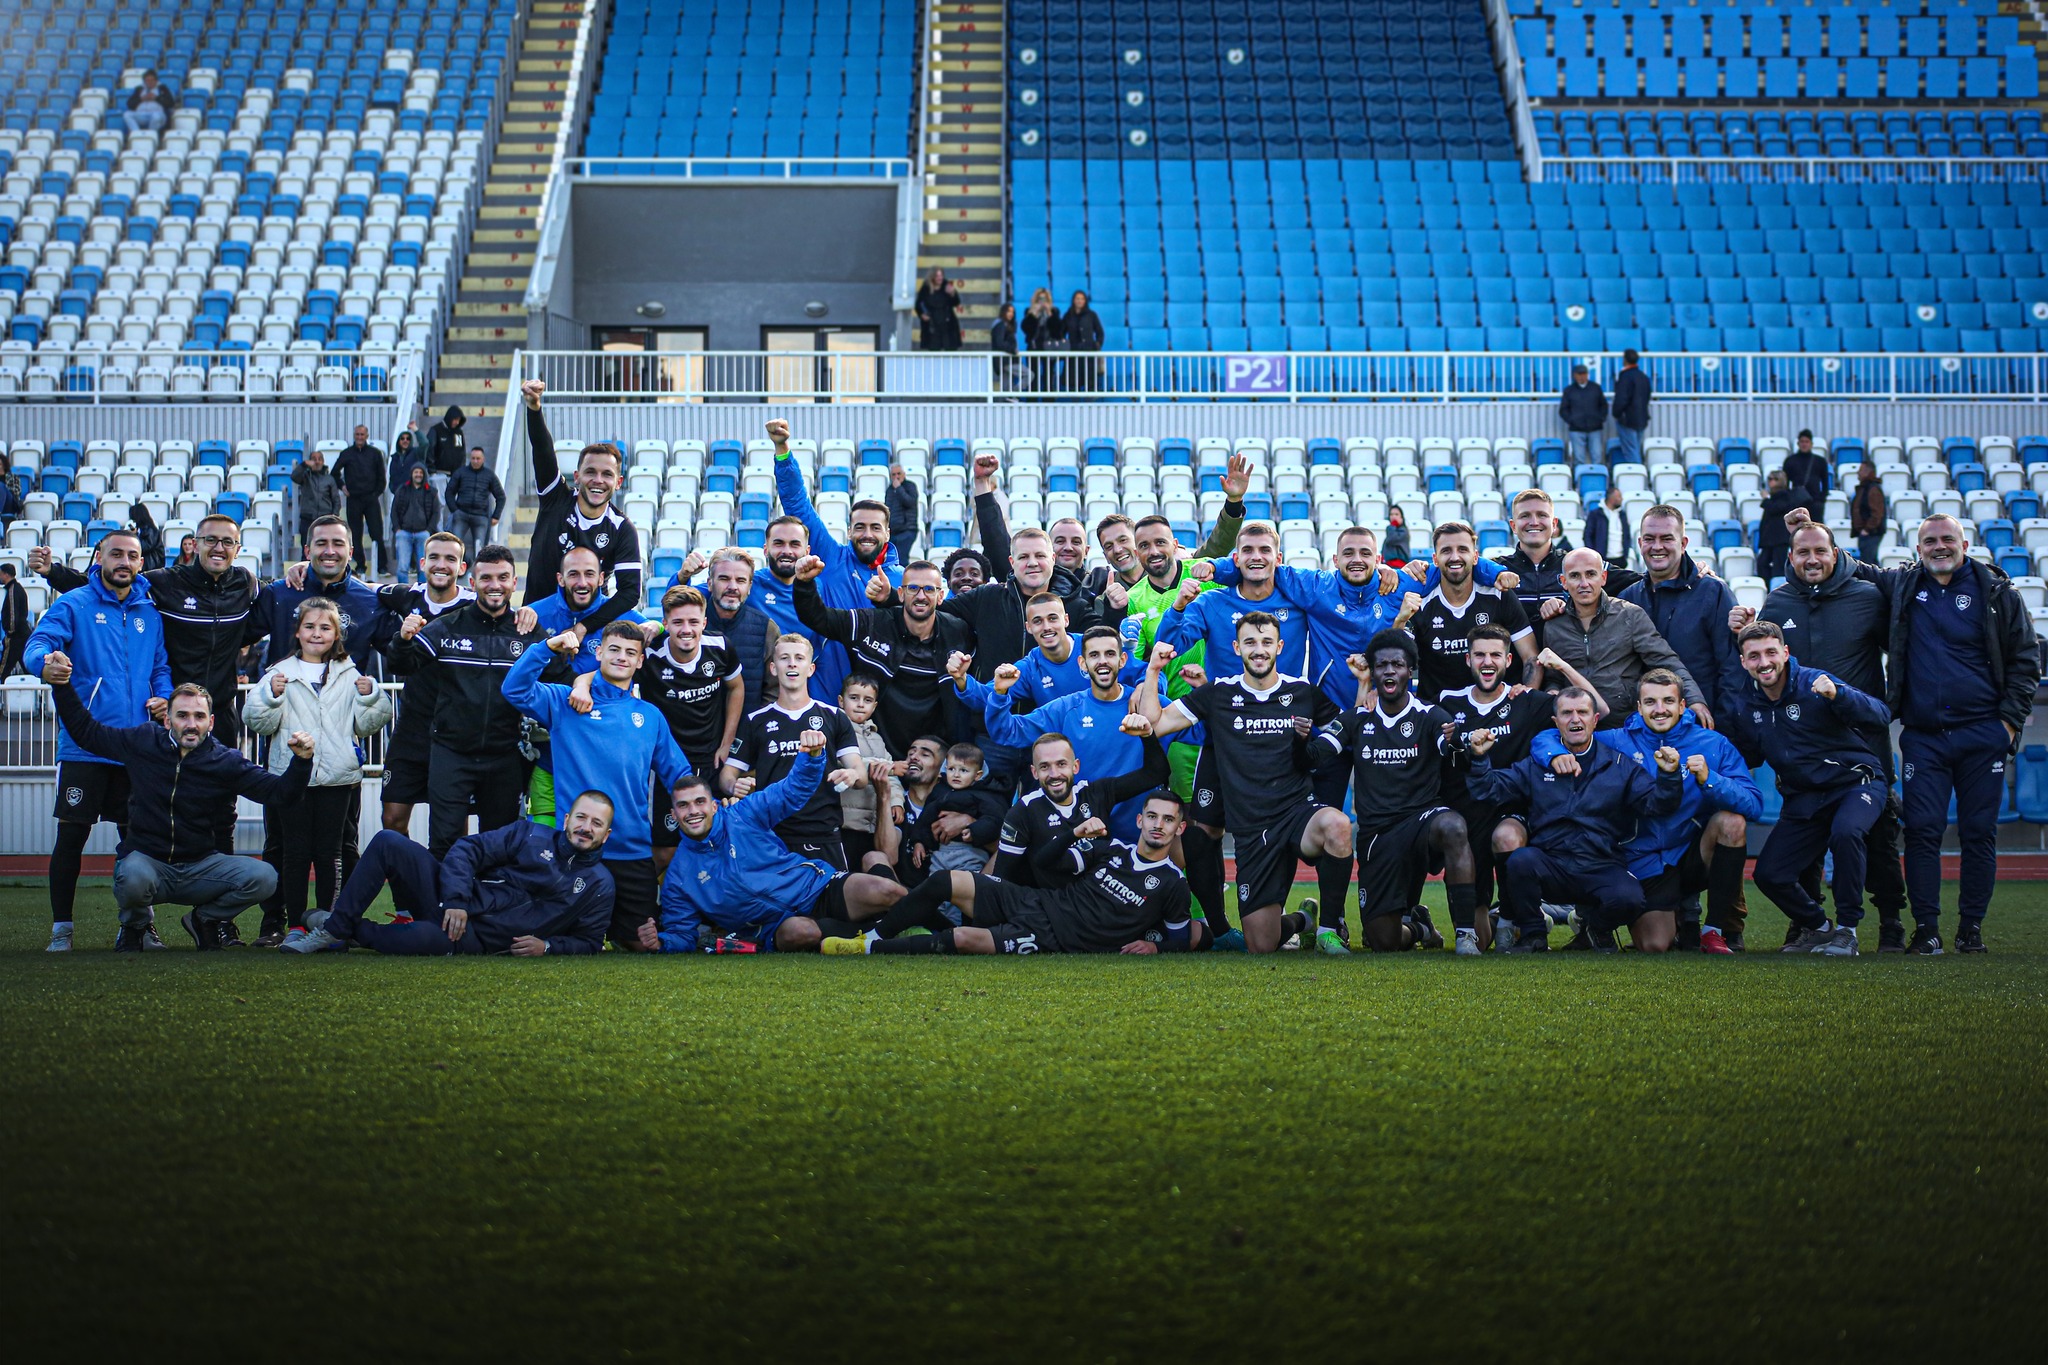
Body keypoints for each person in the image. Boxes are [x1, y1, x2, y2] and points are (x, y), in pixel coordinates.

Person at [1831, 511, 2040, 954]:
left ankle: (1971, 928)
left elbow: (2026, 661)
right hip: (1924, 736)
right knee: (1923, 831)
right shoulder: (1905, 584)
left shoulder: (1999, 593)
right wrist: (1810, 528)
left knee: (1978, 831)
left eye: (1947, 539)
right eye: (1930, 541)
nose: (1939, 547)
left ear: (1965, 544)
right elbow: (1851, 564)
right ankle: (1926, 928)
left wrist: (2008, 723)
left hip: (1984, 735)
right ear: (1918, 548)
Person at [44, 673, 312, 951]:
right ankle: (134, 925)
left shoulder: (225, 761)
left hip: (200, 868)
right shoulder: (143, 741)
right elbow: (86, 732)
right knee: (132, 874)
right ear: (167, 719)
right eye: (182, 715)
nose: (191, 724)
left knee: (265, 877)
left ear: (211, 721)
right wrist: (61, 685)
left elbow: (281, 794)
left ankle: (203, 919)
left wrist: (302, 762)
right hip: (150, 865)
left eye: (199, 716)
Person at [1134, 620, 1350, 954]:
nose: (1259, 650)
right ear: (1237, 649)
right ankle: (1303, 921)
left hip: (1297, 814)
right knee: (1260, 945)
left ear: (1279, 648)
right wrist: (1153, 671)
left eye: (1266, 642)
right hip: (1252, 828)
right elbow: (1155, 723)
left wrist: (1323, 747)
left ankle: (1328, 929)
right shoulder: (1219, 693)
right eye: (1250, 643)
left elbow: (1345, 727)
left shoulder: (1303, 692)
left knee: (1337, 824)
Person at [1738, 519, 1906, 948]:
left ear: (1837, 554)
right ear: (1790, 558)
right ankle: (1811, 924)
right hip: (1800, 751)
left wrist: (1849, 699)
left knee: (1875, 836)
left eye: (1821, 551)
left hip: (1861, 748)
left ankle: (1888, 924)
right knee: (1802, 849)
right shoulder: (1777, 603)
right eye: (1802, 552)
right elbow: (1759, 652)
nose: (1812, 559)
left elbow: (1902, 655)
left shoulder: (1868, 598)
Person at [1528, 670, 1760, 953]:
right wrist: (1554, 754)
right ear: (1639, 707)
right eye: (1650, 702)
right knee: (1652, 945)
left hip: (1692, 851)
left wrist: (1710, 780)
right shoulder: (1616, 741)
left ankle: (1719, 931)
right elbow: (1550, 735)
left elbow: (1754, 805)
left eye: (1668, 701)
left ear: (1682, 706)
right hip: (1642, 859)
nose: (1660, 710)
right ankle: (1672, 923)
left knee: (1731, 823)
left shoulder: (1712, 744)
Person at [24, 530, 172, 952]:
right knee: (72, 837)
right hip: (85, 745)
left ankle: (139, 927)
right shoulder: (73, 603)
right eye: (116, 554)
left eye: (132, 555)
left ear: (142, 563)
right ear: (98, 558)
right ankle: (62, 931)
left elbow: (160, 665)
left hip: (137, 747)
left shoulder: (150, 612)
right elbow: (39, 645)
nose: (124, 562)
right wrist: (44, 665)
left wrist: (162, 694)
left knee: (138, 842)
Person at [505, 619, 690, 948]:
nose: (621, 657)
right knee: (559, 941)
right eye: (614, 649)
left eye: (630, 652)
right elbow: (514, 689)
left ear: (640, 661)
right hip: (576, 852)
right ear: (599, 652)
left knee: (639, 945)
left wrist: (699, 808)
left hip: (631, 851)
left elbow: (678, 775)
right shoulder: (566, 702)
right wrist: (547, 648)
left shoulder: (649, 716)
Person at [838, 789, 1198, 957]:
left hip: (1058, 939)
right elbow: (1044, 862)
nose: (1158, 825)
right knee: (947, 881)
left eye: (1168, 820)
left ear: (1179, 829)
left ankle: (875, 951)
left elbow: (1182, 940)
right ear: (1140, 820)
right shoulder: (1110, 848)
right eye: (1152, 816)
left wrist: (1155, 945)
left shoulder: (1172, 883)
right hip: (1038, 901)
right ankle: (870, 936)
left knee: (964, 940)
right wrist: (1074, 833)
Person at [644, 731, 908, 953]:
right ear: (673, 815)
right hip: (774, 926)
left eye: (699, 802)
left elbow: (792, 790)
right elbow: (682, 932)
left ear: (714, 806)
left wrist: (812, 756)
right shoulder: (679, 873)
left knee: (888, 891)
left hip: (814, 888)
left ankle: (917, 927)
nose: (693, 811)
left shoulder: (743, 814)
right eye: (683, 805)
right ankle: (879, 933)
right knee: (800, 932)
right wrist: (661, 942)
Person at [1466, 687, 1683, 953]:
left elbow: (1657, 804)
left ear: (1595, 719)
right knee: (1519, 861)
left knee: (1631, 899)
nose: (1575, 719)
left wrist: (1670, 776)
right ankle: (1533, 935)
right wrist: (1479, 758)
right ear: (1555, 722)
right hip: (1551, 863)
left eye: (1582, 712)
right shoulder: (1539, 764)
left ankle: (1595, 928)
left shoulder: (1619, 765)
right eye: (1567, 713)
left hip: (1600, 864)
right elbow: (1489, 790)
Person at [1727, 621, 1892, 956]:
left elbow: (1881, 715)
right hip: (1804, 796)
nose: (1764, 662)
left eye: (1771, 652)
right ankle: (1819, 928)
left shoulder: (1815, 682)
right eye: (1754, 656)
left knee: (1846, 833)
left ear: (1785, 653)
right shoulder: (1745, 704)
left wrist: (1839, 695)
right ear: (1744, 662)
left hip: (1855, 783)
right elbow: (1746, 754)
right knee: (1770, 875)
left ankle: (1847, 930)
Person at [285, 795, 616, 956]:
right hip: (448, 899)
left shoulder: (600, 885)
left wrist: (547, 945)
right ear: (568, 817)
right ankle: (333, 929)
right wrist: (456, 899)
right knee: (389, 841)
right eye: (581, 818)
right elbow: (466, 850)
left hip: (472, 940)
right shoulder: (529, 834)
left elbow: (588, 942)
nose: (586, 828)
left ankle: (337, 925)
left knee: (419, 941)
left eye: (596, 824)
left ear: (606, 833)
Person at [243, 598, 393, 947]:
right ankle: (295, 923)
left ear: (337, 633)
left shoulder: (351, 673)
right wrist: (271, 697)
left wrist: (373, 697)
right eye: (309, 626)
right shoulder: (278, 674)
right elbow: (257, 722)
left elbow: (368, 725)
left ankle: (329, 922)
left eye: (325, 627)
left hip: (338, 779)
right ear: (296, 632)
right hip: (292, 779)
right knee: (294, 853)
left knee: (332, 854)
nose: (316, 633)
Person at [1316, 632, 1471, 954]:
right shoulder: (1359, 718)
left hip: (1421, 821)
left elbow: (1454, 751)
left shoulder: (1431, 715)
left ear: (1410, 670)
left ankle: (1466, 935)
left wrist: (1461, 744)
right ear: (1372, 672)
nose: (1389, 671)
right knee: (1382, 941)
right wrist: (1295, 739)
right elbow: (1317, 753)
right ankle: (1420, 926)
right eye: (1382, 665)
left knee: (1454, 826)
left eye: (1397, 664)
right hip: (1377, 833)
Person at [388, 546, 548, 857]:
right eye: (486, 578)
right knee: (445, 842)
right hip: (451, 753)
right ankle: (442, 905)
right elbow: (402, 665)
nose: (494, 585)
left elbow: (560, 676)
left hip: (504, 755)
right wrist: (403, 639)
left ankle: (489, 906)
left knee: (499, 844)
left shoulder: (527, 631)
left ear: (515, 583)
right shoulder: (448, 626)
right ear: (472, 583)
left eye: (503, 577)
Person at [1440, 629, 1600, 934]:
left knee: (1507, 838)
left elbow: (1597, 710)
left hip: (1509, 812)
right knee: (1478, 938)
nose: (1487, 662)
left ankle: (1513, 917)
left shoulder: (1526, 701)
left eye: (1495, 655)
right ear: (1468, 660)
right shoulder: (1447, 702)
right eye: (1479, 655)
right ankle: (1506, 917)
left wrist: (1563, 667)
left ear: (1508, 660)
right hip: (1465, 819)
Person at [956, 629, 1158, 843]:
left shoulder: (1148, 705)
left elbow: (1193, 731)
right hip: (1082, 836)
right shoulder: (1067, 708)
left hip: (1139, 838)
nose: (1102, 662)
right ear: (1082, 663)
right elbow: (1008, 731)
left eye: (1109, 654)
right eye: (1094, 655)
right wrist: (999, 694)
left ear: (1122, 659)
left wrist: (1156, 683)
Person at [605, 584, 744, 875]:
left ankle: (713, 915)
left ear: (704, 623)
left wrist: (726, 743)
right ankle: (648, 912)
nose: (686, 629)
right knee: (664, 851)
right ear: (665, 623)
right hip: (665, 765)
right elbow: (612, 679)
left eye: (694, 622)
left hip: (710, 759)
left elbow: (736, 687)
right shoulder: (651, 655)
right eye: (678, 622)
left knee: (715, 841)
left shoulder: (720, 648)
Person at [766, 418, 904, 701]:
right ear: (849, 530)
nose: (867, 534)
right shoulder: (831, 557)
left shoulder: (902, 578)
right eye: (860, 527)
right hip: (828, 687)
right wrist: (782, 450)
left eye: (875, 527)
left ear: (887, 532)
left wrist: (892, 597)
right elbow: (796, 503)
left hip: (884, 693)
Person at [794, 554, 973, 758]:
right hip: (877, 751)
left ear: (941, 596)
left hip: (934, 753)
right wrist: (804, 583)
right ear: (901, 593)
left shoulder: (958, 631)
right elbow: (818, 618)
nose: (921, 596)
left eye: (929, 589)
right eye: (913, 588)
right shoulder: (872, 624)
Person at [720, 634, 873, 870]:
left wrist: (852, 775)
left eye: (799, 658)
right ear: (773, 668)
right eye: (784, 658)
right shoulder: (755, 721)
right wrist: (733, 785)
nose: (792, 663)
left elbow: (860, 774)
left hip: (822, 832)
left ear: (810, 668)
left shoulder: (834, 716)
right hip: (772, 834)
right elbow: (727, 775)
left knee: (831, 903)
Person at [370, 532, 474, 836]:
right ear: (422, 563)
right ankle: (411, 883)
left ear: (462, 567)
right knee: (392, 820)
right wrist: (301, 570)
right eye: (435, 558)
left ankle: (448, 883)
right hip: (411, 728)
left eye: (450, 559)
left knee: (452, 825)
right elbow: (364, 589)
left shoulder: (474, 604)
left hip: (455, 732)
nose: (441, 565)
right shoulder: (407, 597)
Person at [516, 381, 642, 629]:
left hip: (588, 629)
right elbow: (542, 451)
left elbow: (630, 593)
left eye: (607, 475)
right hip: (537, 623)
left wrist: (586, 627)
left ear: (618, 482)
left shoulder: (622, 529)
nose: (598, 480)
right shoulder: (556, 499)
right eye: (590, 472)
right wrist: (534, 408)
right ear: (577, 476)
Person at [1543, 548, 1705, 727]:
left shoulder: (1630, 615)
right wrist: (1552, 692)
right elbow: (1553, 678)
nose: (1584, 583)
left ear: (1603, 577)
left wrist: (1694, 699)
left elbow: (1666, 662)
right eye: (1575, 576)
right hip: (1577, 729)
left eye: (1591, 574)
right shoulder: (1554, 626)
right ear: (1564, 582)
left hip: (1626, 727)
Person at [1617, 505, 1745, 729]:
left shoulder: (1713, 592)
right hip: (1643, 732)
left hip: (1702, 726)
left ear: (1683, 543)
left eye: (1667, 538)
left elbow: (1731, 669)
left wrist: (1722, 729)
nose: (1657, 547)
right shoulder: (1628, 598)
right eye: (1649, 539)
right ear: (1639, 544)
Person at [992, 729, 1169, 890]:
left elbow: (1155, 774)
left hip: (1102, 898)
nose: (1054, 774)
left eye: (1061, 764)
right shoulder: (1023, 811)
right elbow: (1002, 877)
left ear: (1075, 766)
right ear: (1034, 772)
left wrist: (1147, 734)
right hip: (1053, 906)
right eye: (1045, 766)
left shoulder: (1096, 793)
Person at [1408, 521, 1541, 702]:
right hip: (1439, 713)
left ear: (1476, 556)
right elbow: (1400, 660)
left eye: (1463, 549)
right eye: (1446, 551)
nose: (1455, 557)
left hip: (1497, 710)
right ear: (1435, 559)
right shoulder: (1419, 601)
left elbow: (1531, 657)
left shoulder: (1498, 594)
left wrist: (1527, 696)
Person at [1500, 488, 1642, 643]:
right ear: (1513, 526)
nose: (1534, 522)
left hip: (1570, 664)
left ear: (1554, 524)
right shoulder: (1498, 570)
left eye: (1542, 515)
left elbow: (1640, 581)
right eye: (1525, 516)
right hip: (1512, 665)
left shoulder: (1579, 564)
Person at [903, 743, 1007, 891]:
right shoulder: (940, 791)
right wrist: (919, 842)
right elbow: (926, 818)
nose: (956, 775)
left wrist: (974, 829)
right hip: (940, 852)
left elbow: (994, 820)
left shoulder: (986, 794)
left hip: (970, 852)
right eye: (951, 769)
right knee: (935, 891)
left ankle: (959, 915)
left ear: (977, 775)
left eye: (964, 770)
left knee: (964, 891)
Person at [688, 547, 778, 709]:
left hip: (749, 732)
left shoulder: (766, 628)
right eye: (724, 578)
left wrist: (755, 729)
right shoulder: (689, 626)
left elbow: (774, 690)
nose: (732, 586)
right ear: (709, 583)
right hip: (696, 732)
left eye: (740, 580)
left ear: (750, 587)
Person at [838, 673, 903, 871]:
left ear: (874, 706)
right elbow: (845, 764)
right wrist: (889, 768)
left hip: (872, 825)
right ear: (841, 701)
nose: (860, 704)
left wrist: (896, 802)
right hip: (846, 823)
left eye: (867, 700)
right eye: (854, 698)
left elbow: (892, 779)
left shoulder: (877, 738)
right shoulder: (837, 729)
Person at [334, 424, 386, 578]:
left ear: (367, 436)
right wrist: (342, 487)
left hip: (371, 499)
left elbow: (382, 478)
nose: (359, 437)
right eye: (357, 434)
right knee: (355, 534)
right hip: (354, 499)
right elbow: (334, 472)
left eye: (362, 435)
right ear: (354, 435)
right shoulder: (347, 453)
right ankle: (361, 565)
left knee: (377, 532)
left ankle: (382, 566)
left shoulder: (375, 454)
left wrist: (376, 493)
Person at [1757, 469, 1817, 582]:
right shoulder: (1776, 497)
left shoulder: (1785, 496)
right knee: (1763, 564)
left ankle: (1776, 588)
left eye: (1774, 479)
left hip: (1780, 538)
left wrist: (1765, 499)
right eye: (1769, 479)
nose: (1771, 482)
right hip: (1770, 538)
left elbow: (1776, 508)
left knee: (1777, 567)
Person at [445, 445, 505, 555]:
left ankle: (478, 571)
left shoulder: (489, 475)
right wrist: (454, 510)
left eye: (478, 458)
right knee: (455, 546)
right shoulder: (461, 472)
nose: (475, 461)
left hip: (481, 516)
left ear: (483, 459)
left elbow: (501, 496)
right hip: (461, 514)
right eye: (473, 458)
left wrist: (496, 516)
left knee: (480, 549)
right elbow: (449, 492)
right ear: (470, 459)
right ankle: (458, 570)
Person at [389, 463, 439, 583]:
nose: (418, 475)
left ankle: (421, 594)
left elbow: (436, 513)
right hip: (404, 533)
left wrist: (429, 530)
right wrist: (397, 529)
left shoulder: (431, 492)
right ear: (411, 474)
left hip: (423, 534)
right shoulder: (402, 489)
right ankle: (403, 594)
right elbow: (394, 510)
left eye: (421, 472)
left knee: (423, 567)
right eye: (416, 472)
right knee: (402, 567)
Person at [291, 448, 342, 555]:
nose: (317, 461)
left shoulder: (329, 479)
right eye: (314, 459)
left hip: (325, 520)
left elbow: (336, 500)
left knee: (324, 550)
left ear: (323, 461)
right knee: (307, 551)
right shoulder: (305, 477)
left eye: (319, 459)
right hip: (307, 519)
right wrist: (304, 464)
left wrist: (334, 517)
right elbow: (294, 477)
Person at [1558, 362, 1607, 466]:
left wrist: (1600, 419)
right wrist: (1572, 421)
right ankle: (1580, 479)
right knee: (1579, 458)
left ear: (1587, 374)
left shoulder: (1596, 388)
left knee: (1597, 456)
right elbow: (1563, 410)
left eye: (1584, 374)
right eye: (1579, 374)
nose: (1582, 376)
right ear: (1574, 375)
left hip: (1595, 428)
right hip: (1576, 429)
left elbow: (1603, 406)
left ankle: (1596, 478)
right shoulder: (1569, 390)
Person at [422, 405, 467, 518]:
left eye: (458, 420)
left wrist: (461, 471)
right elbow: (430, 449)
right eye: (455, 419)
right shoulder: (436, 430)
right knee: (439, 504)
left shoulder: (459, 433)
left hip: (455, 475)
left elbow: (462, 453)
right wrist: (432, 471)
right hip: (439, 473)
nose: (456, 422)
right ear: (449, 417)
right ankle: (439, 531)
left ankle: (452, 531)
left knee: (455, 504)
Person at [1609, 347, 1651, 465]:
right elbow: (1647, 396)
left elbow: (1621, 399)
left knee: (1631, 451)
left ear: (1625, 360)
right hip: (1642, 417)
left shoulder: (1625, 377)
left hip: (1628, 419)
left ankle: (1637, 476)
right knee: (1635, 448)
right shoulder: (1643, 376)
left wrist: (1616, 413)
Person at [1022, 286, 1064, 392]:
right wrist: (1034, 314)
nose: (1042, 302)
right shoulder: (1029, 311)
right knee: (1033, 375)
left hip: (1049, 346)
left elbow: (1058, 329)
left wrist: (1049, 313)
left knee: (1049, 374)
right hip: (1034, 346)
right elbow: (1026, 328)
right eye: (1039, 299)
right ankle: (1032, 401)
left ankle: (1049, 400)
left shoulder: (1054, 311)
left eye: (1044, 299)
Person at [1062, 290, 1104, 393]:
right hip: (1073, 353)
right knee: (1073, 382)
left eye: (1082, 299)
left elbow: (1100, 332)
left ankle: (1090, 406)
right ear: (1073, 301)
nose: (1080, 301)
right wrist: (1064, 345)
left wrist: (1097, 344)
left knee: (1090, 382)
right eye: (1077, 299)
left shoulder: (1091, 315)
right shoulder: (1068, 315)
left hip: (1089, 352)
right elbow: (1061, 332)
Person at [915, 268, 962, 351]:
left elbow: (956, 302)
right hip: (932, 325)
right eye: (937, 276)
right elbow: (919, 304)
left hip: (947, 324)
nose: (940, 278)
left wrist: (952, 293)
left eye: (941, 275)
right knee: (934, 352)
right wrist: (922, 314)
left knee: (950, 351)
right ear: (932, 277)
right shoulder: (926, 288)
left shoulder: (947, 286)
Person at [1584, 487, 1630, 570]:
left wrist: (1626, 553)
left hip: (1620, 560)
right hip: (1602, 559)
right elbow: (1588, 535)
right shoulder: (1596, 514)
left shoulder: (1622, 515)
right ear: (1611, 498)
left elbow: (1627, 535)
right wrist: (1593, 555)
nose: (1622, 499)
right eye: (1619, 496)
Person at [1849, 460, 1886, 562]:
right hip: (1867, 532)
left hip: (1871, 533)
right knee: (1870, 561)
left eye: (1861, 470)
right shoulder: (1866, 488)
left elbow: (1877, 513)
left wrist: (1867, 529)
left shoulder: (1872, 489)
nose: (1858, 473)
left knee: (1868, 562)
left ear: (1868, 471)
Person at [1783, 429, 1831, 504]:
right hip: (1796, 501)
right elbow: (1785, 483)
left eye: (1807, 442)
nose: (1804, 444)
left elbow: (1825, 483)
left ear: (1811, 444)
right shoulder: (1790, 461)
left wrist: (1821, 499)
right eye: (1802, 442)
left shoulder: (1820, 461)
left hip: (1815, 501)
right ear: (1798, 444)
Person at [886, 463, 921, 564]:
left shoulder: (910, 486)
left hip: (907, 530)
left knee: (902, 560)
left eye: (899, 474)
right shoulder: (889, 490)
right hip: (893, 532)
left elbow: (910, 502)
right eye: (893, 475)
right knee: (892, 560)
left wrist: (899, 488)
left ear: (904, 474)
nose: (896, 477)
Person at [123, 69, 175, 134]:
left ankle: (150, 135)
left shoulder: (162, 88)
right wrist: (142, 99)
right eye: (147, 80)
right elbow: (129, 104)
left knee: (156, 117)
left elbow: (171, 103)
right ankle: (137, 134)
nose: (150, 82)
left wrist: (156, 98)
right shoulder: (139, 89)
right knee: (127, 114)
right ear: (144, 81)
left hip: (157, 114)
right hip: (142, 114)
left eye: (152, 80)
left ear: (156, 81)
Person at [0, 561, 27, 677]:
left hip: (15, 637)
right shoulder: (17, 588)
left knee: (3, 670)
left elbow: (12, 615)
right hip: (23, 635)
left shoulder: (12, 591)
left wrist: (10, 633)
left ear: (6, 575)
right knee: (27, 668)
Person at [990, 301, 1022, 391]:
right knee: (1028, 375)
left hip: (1008, 360)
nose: (1011, 314)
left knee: (1006, 386)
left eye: (1012, 312)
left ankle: (1009, 398)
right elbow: (1000, 343)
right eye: (1009, 311)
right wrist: (1012, 349)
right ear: (1003, 312)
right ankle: (1013, 395)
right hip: (1004, 361)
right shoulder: (1000, 325)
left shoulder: (1009, 325)